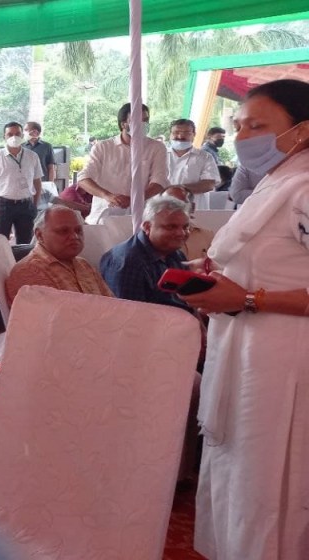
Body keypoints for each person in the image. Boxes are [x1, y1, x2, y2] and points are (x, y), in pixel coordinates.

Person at [177, 79, 309, 560]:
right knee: (241, 467)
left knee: (272, 476)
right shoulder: (274, 183)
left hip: (285, 361)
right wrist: (218, 275)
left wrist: (250, 296)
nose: (243, 136)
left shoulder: (303, 189)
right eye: (239, 125)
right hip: (245, 356)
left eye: (259, 125)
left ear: (301, 131)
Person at [78, 102, 169, 224]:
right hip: (104, 217)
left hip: (142, 218)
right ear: (123, 124)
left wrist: (134, 199)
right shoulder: (103, 147)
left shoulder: (157, 148)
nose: (143, 124)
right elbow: (83, 178)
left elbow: (159, 181)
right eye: (137, 120)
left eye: (145, 120)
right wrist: (108, 196)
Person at [99, 196, 192, 313]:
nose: (181, 233)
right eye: (171, 227)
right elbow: (129, 316)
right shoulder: (128, 262)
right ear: (147, 227)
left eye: (185, 227)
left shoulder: (176, 254)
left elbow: (188, 301)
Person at [5, 205, 113, 304]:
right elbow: (54, 322)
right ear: (39, 235)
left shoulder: (84, 265)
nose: (75, 236)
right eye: (63, 231)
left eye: (78, 230)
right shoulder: (28, 271)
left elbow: (113, 305)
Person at [0, 121, 43, 244]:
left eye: (17, 134)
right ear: (4, 137)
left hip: (26, 205)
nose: (14, 137)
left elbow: (37, 182)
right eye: (10, 134)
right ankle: (1, 264)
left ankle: (22, 263)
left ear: (22, 136)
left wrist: (35, 205)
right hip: (3, 205)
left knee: (25, 243)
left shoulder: (33, 156)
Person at [166, 118, 220, 210]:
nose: (180, 136)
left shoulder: (205, 157)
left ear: (194, 135)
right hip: (164, 208)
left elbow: (209, 184)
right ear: (170, 134)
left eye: (186, 133)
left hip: (195, 209)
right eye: (176, 132)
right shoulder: (160, 155)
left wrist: (175, 190)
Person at [162, 186, 215, 261]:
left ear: (192, 208)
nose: (175, 209)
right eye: (169, 204)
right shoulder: (154, 237)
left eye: (181, 204)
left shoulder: (207, 235)